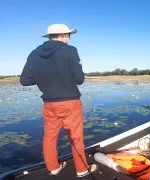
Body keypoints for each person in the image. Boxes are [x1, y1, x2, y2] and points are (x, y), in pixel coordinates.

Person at [20, 24, 98, 177]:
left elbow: (25, 80)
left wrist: (46, 79)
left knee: (49, 137)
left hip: (49, 104)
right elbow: (79, 79)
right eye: (68, 35)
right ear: (62, 35)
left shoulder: (34, 54)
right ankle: (82, 170)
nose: (69, 38)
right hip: (70, 102)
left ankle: (54, 168)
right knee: (76, 137)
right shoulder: (70, 50)